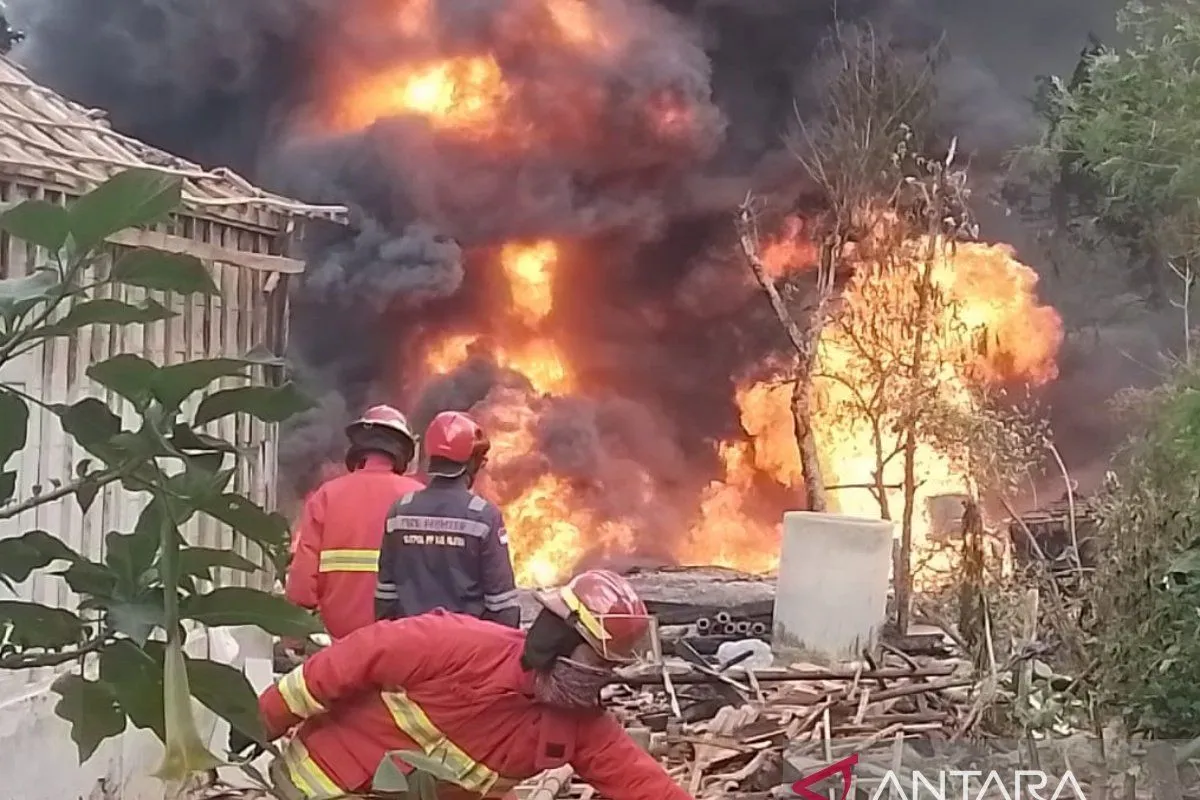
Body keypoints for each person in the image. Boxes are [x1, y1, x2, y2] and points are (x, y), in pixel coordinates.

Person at [231, 569, 691, 800]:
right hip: (312, 788)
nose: (600, 677)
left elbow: (644, 786)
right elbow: (338, 666)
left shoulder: (579, 726)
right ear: (559, 642)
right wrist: (261, 720)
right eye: (597, 662)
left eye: (609, 667)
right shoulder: (454, 644)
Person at [286, 405, 425, 640]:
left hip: (341, 641)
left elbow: (302, 585)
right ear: (404, 450)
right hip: (403, 642)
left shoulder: (327, 496)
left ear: (357, 448)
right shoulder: (419, 497)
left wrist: (294, 632)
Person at [374, 410, 519, 627]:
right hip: (464, 643)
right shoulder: (483, 517)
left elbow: (385, 597)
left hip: (409, 639)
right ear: (471, 462)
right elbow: (502, 605)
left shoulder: (399, 511)